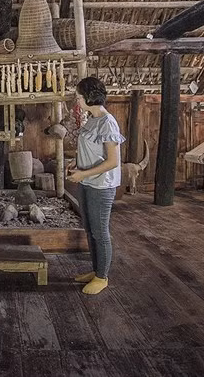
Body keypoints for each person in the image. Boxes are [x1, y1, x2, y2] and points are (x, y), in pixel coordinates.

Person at [67, 77, 125, 295]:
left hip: (101, 185)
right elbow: (90, 150)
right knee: (90, 230)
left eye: (80, 97)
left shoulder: (107, 122)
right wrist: (77, 162)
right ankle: (96, 270)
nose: (78, 101)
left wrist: (83, 174)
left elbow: (112, 161)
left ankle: (102, 277)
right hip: (87, 181)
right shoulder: (91, 119)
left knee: (100, 232)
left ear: (90, 97)